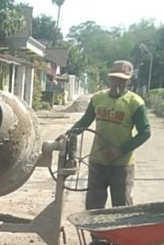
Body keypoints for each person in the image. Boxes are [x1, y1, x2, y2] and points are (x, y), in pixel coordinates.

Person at [65, 60, 152, 210]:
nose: (117, 82)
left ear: (128, 80)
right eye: (114, 78)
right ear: (109, 78)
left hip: (122, 165)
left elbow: (145, 132)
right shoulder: (98, 98)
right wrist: (67, 136)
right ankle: (96, 235)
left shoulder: (135, 103)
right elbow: (84, 122)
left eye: (122, 80)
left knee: (122, 208)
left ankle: (119, 234)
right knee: (93, 207)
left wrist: (121, 150)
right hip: (97, 162)